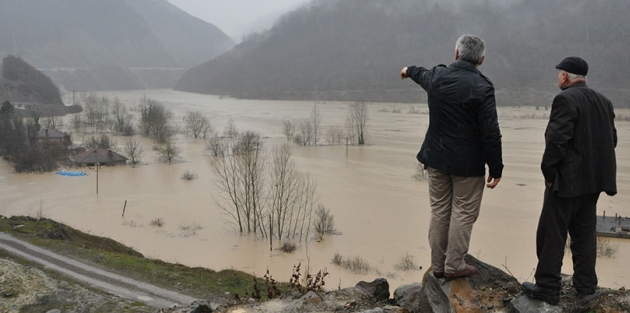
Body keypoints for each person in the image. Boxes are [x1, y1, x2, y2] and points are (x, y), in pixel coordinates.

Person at [400, 34, 503, 279]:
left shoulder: (437, 77)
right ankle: (454, 265)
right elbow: (491, 131)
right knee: (463, 212)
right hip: (468, 165)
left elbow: (419, 73)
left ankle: (438, 265)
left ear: (456, 53)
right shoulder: (482, 87)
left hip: (436, 159)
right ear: (482, 60)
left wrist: (407, 69)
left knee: (439, 211)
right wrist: (496, 168)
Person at [521, 56, 617, 305]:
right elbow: (612, 140)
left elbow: (556, 140)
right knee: (585, 234)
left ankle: (547, 287)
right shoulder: (604, 101)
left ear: (565, 76)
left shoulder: (564, 99)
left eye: (559, 74)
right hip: (594, 182)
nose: (557, 78)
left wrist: (549, 174)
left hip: (566, 181)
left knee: (552, 233)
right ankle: (586, 288)